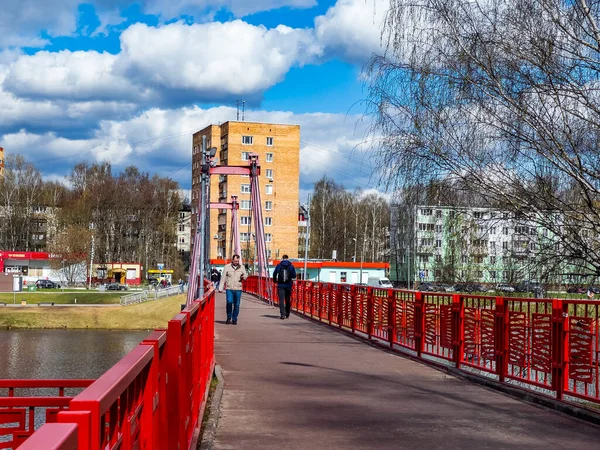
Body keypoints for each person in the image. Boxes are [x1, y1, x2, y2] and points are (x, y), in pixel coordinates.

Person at [219, 255, 247, 325]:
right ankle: (229, 317)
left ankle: (234, 319)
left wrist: (244, 276)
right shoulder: (227, 267)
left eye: (237, 261)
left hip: (238, 289)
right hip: (229, 288)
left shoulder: (242, 267)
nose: (236, 262)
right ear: (232, 260)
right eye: (235, 261)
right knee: (229, 302)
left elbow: (246, 276)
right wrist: (220, 288)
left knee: (237, 305)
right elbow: (223, 278)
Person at [272, 255, 296, 319]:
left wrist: (275, 280)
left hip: (280, 285)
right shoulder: (291, 266)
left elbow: (274, 273)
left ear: (282, 258)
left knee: (281, 300)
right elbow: (294, 276)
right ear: (288, 259)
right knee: (288, 299)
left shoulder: (279, 265)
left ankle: (282, 314)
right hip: (288, 285)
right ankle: (287, 313)